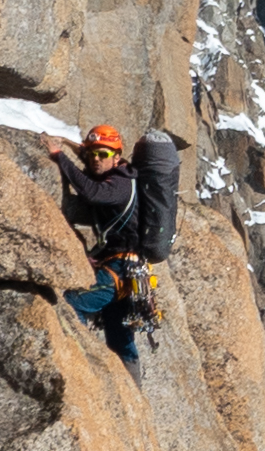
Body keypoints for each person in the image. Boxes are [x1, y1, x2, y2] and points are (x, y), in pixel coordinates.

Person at [49, 118, 182, 374]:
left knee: (72, 302)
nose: (96, 160)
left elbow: (93, 192)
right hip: (127, 272)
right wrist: (75, 147)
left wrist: (59, 156)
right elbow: (93, 165)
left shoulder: (119, 184)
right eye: (92, 155)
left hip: (119, 270)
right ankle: (131, 390)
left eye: (103, 155)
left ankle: (80, 364)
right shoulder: (120, 174)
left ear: (117, 157)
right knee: (119, 337)